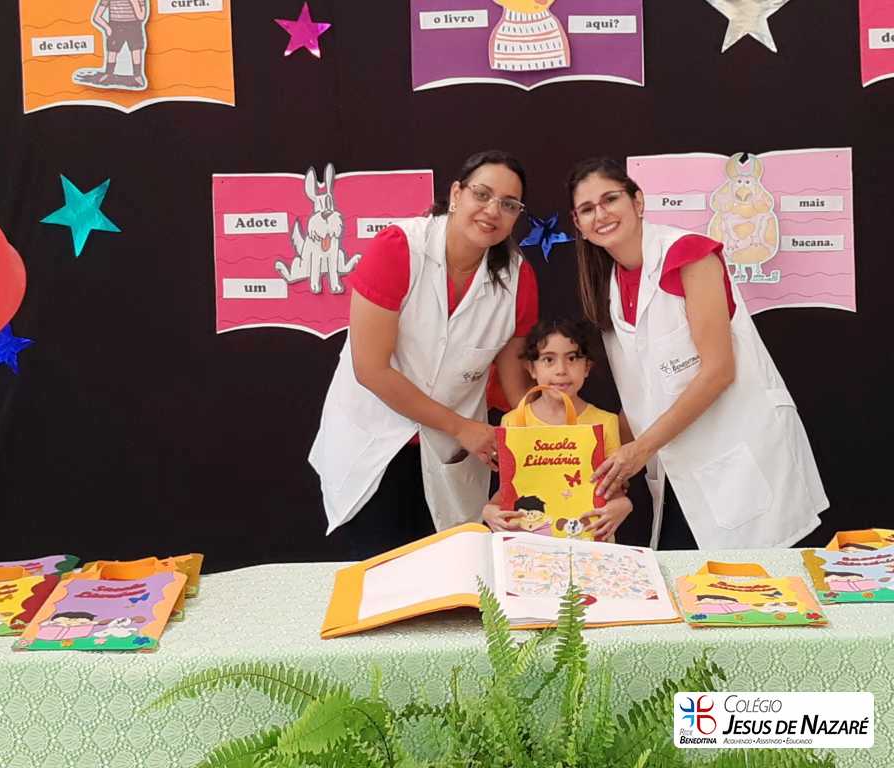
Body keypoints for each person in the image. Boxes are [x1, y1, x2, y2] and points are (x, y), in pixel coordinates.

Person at [566, 157, 827, 550]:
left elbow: (718, 371)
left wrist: (640, 450)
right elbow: (645, 397)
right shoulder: (610, 288)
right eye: (587, 209)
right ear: (578, 224)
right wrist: (586, 459)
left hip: (740, 450)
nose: (600, 215)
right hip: (681, 467)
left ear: (638, 201)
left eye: (610, 199)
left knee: (758, 579)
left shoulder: (687, 253)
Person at [310, 150, 539, 560]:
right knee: (382, 574)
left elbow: (513, 384)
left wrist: (549, 441)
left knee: (450, 574)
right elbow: (371, 369)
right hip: (377, 444)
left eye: (509, 205)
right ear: (456, 194)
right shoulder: (398, 248)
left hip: (452, 456)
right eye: (482, 194)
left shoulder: (518, 278)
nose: (492, 211)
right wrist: (460, 427)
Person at [483, 319, 632, 541]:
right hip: (530, 544)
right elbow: (510, 487)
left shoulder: (605, 423)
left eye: (572, 358)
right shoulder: (513, 422)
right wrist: (489, 510)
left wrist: (623, 505)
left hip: (588, 544)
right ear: (531, 368)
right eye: (548, 360)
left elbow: (614, 490)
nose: (561, 370)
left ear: (587, 367)